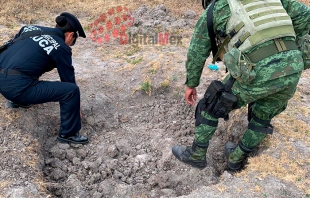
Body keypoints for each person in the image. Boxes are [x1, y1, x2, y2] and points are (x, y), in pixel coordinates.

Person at [172, 0, 310, 171]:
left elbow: (197, 51)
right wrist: (289, 47)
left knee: (210, 106)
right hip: (293, 68)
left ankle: (196, 155)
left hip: (257, 72)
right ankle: (236, 158)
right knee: (262, 117)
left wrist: (191, 84)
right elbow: (306, 16)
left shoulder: (216, 8)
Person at [0, 12, 89, 144]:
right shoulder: (61, 48)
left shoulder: (29, 29)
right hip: (16, 89)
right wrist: (76, 109)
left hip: (2, 81)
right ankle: (68, 134)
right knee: (71, 91)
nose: (70, 45)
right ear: (70, 35)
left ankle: (20, 101)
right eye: (73, 42)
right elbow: (68, 80)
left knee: (30, 64)